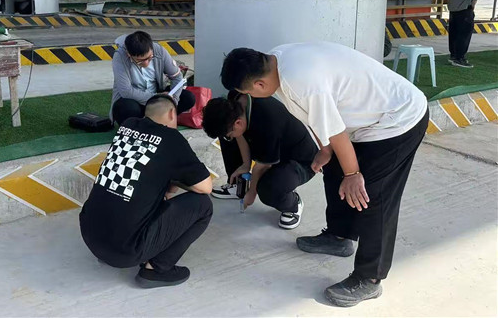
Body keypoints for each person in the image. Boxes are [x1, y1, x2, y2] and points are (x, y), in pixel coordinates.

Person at [221, 42, 428, 307]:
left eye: (248, 92)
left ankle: (369, 278)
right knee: (333, 169)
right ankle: (339, 237)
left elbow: (335, 130)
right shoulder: (277, 62)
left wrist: (353, 173)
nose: (251, 97)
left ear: (259, 85)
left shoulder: (301, 81)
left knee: (373, 196)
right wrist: (326, 150)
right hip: (366, 122)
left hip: (398, 119)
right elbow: (320, 119)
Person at [80, 95, 213, 288]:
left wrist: (171, 178)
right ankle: (156, 269)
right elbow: (205, 187)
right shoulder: (171, 138)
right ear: (171, 113)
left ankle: (116, 248)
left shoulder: (127, 126)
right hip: (125, 252)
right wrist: (178, 177)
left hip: (91, 237)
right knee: (203, 205)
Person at [201, 92, 318, 229]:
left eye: (231, 132)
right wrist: (245, 165)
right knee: (227, 135)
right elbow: (240, 134)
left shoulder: (267, 123)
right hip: (274, 148)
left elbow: (261, 167)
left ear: (238, 122)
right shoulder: (235, 99)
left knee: (268, 189)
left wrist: (252, 194)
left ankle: (293, 204)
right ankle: (239, 186)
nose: (230, 136)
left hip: (301, 160)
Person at [110, 31, 195, 125]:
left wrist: (173, 100)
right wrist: (156, 97)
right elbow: (126, 91)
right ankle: (137, 126)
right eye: (140, 61)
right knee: (126, 107)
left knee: (188, 97)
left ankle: (160, 121)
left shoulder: (159, 51)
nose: (146, 63)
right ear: (129, 54)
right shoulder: (120, 57)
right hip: (136, 100)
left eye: (149, 58)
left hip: (157, 97)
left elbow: (177, 77)